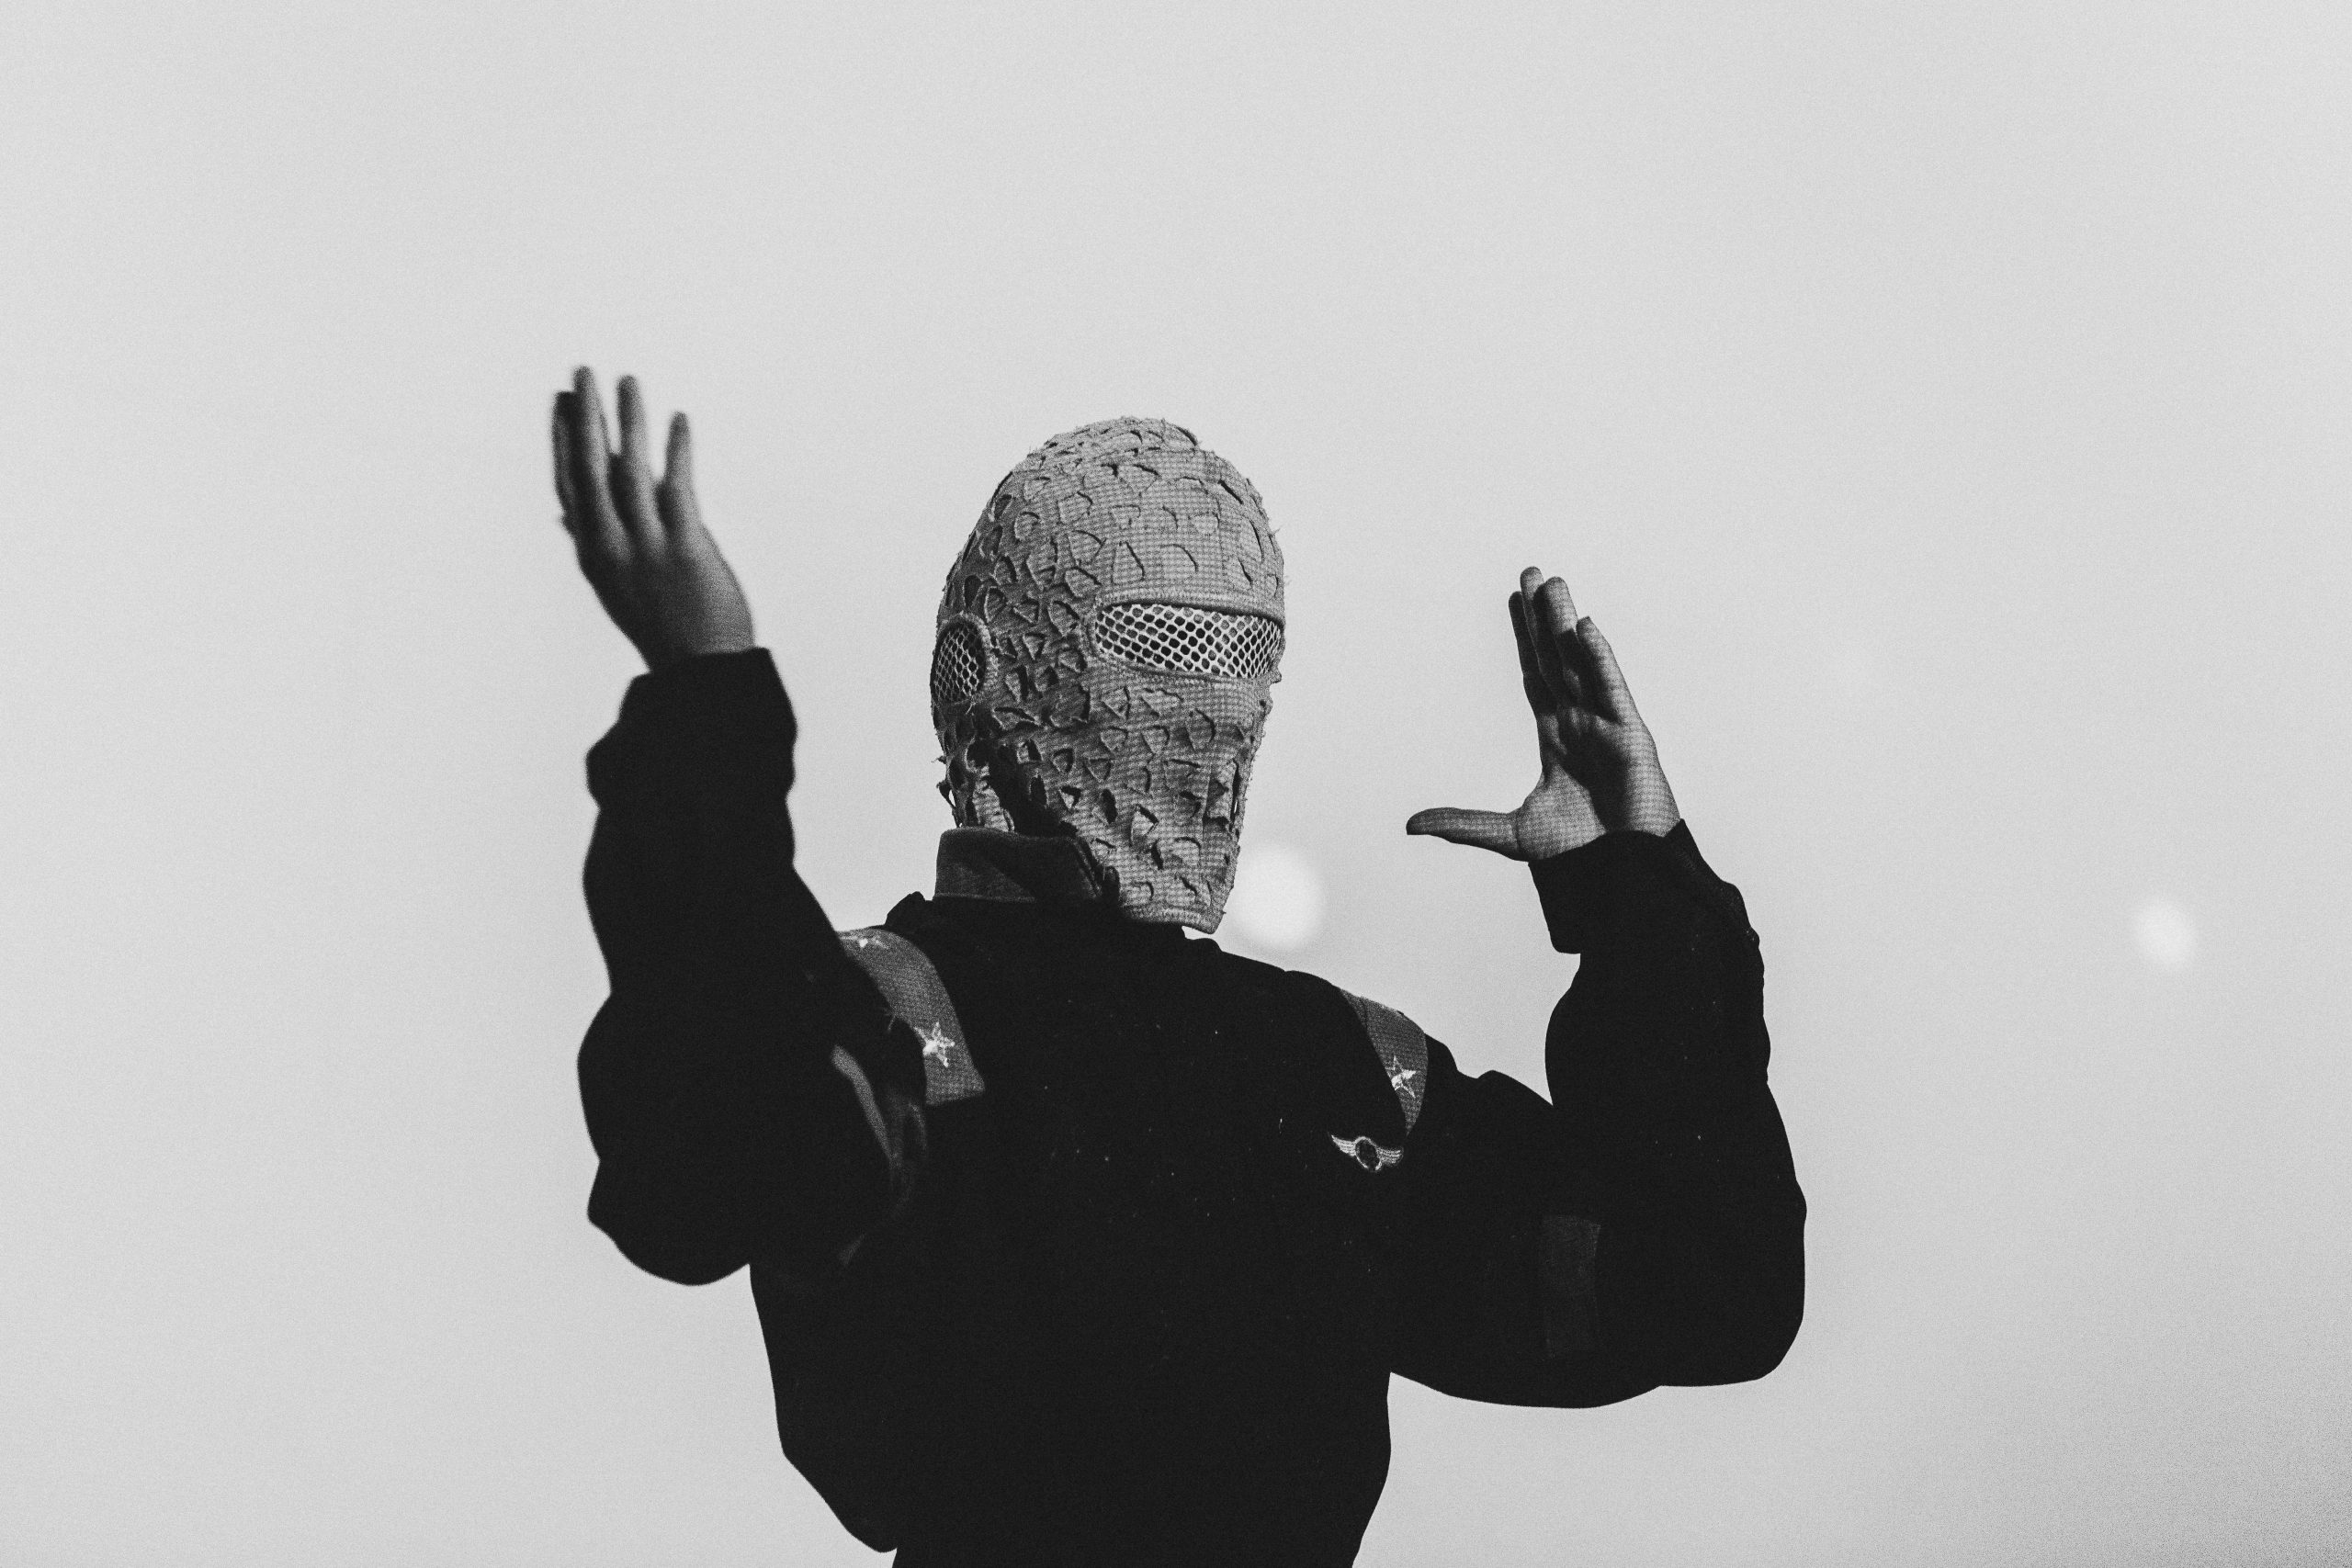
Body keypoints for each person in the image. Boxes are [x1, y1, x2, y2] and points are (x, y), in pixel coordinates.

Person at [550, 367, 1805, 1566]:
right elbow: (708, 1164)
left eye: (1241, 667)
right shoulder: (895, 1021)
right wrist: (705, 696)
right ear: (984, 678)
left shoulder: (1340, 1071)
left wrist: (1635, 885)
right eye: (1161, 644)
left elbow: (1706, 1289)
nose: (1210, 713)